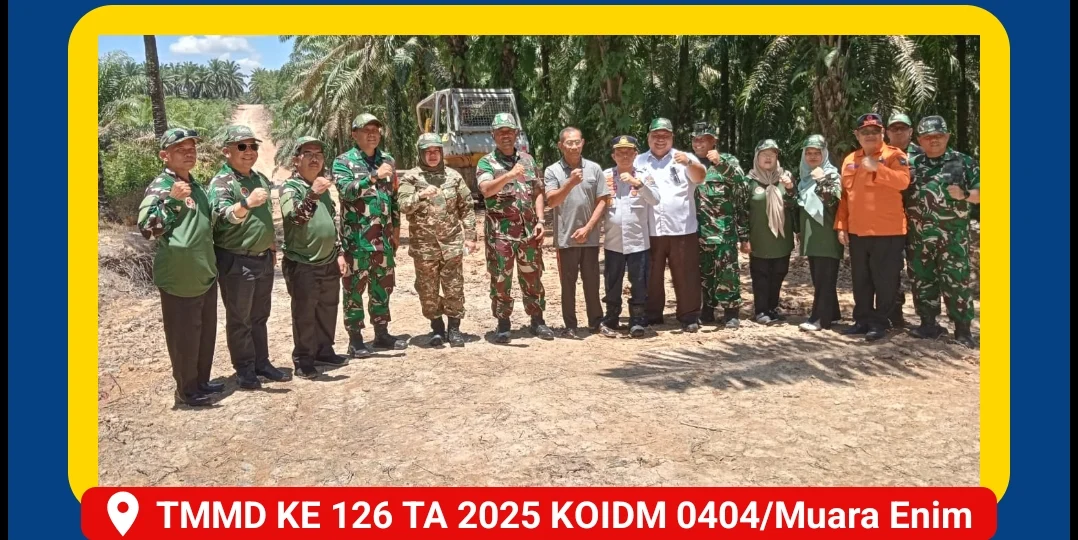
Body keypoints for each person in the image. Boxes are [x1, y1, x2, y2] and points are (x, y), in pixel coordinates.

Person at [138, 128, 220, 407]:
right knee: (184, 336)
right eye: (180, 150)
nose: (189, 153)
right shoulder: (160, 187)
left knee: (205, 333)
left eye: (192, 149)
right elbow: (148, 230)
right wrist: (172, 201)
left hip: (204, 272)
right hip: (179, 276)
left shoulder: (196, 186)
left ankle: (201, 381)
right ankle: (186, 391)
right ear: (165, 155)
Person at [209, 125, 292, 389]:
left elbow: (265, 217)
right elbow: (223, 216)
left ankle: (261, 363)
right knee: (240, 319)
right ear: (227, 151)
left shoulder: (258, 178)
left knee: (259, 316)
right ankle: (244, 370)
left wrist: (271, 247)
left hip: (262, 258)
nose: (249, 152)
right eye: (242, 146)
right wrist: (246, 203)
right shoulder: (222, 182)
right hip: (236, 260)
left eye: (253, 146)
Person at [332, 113, 408, 355]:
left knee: (382, 286)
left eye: (375, 129)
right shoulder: (343, 162)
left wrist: (396, 230)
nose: (372, 134)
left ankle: (382, 333)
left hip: (383, 239)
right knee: (354, 288)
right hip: (356, 241)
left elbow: (393, 198)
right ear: (354, 134)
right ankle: (355, 338)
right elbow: (346, 191)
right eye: (366, 130)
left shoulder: (388, 160)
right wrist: (373, 177)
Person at [476, 113, 554, 343]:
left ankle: (537, 320)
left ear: (516, 134)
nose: (506, 135)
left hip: (528, 231)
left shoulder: (528, 161)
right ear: (493, 135)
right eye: (501, 132)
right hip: (500, 233)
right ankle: (503, 324)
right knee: (501, 278)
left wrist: (540, 221)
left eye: (509, 131)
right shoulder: (486, 162)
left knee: (533, 276)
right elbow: (486, 190)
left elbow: (537, 191)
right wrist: (509, 175)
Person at [905, 116, 980, 348]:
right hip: (918, 238)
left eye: (938, 136)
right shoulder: (911, 164)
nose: (934, 140)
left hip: (953, 238)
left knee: (956, 282)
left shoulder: (963, 162)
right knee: (922, 280)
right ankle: (928, 324)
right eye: (928, 137)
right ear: (920, 140)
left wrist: (965, 195)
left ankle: (963, 330)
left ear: (947, 136)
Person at [835, 113, 911, 342]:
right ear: (857, 135)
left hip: (888, 231)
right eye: (865, 132)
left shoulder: (894, 155)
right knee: (861, 280)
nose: (870, 135)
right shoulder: (850, 159)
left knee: (885, 281)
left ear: (882, 133)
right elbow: (846, 197)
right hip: (858, 231)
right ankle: (862, 320)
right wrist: (842, 225)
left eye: (875, 131)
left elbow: (903, 182)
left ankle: (880, 323)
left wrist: (877, 168)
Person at [278, 136, 349, 380]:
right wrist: (313, 194)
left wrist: (339, 252)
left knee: (328, 308)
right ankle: (304, 360)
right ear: (296, 160)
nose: (314, 158)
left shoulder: (322, 187)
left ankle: (324, 351)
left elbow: (330, 221)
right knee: (304, 313)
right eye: (308, 153)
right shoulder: (290, 188)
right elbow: (295, 218)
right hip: (302, 263)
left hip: (328, 260)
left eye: (318, 154)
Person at [398, 133, 477, 347]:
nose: (432, 155)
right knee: (427, 290)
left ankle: (454, 329)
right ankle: (437, 328)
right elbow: (403, 206)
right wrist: (420, 195)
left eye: (436, 151)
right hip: (424, 247)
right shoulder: (411, 178)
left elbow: (467, 207)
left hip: (451, 244)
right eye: (428, 152)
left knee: (454, 287)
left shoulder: (453, 177)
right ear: (421, 154)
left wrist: (470, 236)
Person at [635, 117, 708, 332]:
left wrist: (689, 163)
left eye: (665, 136)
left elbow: (700, 177)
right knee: (651, 274)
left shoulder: (684, 158)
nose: (660, 139)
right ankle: (652, 314)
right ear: (648, 137)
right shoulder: (638, 161)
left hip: (682, 228)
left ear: (672, 137)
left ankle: (689, 315)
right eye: (656, 135)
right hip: (650, 228)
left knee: (686, 273)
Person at [544, 127, 611, 339]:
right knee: (568, 285)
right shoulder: (552, 171)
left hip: (589, 237)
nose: (573, 146)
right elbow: (551, 201)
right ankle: (570, 326)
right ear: (560, 146)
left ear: (583, 143)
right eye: (569, 143)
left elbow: (603, 200)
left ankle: (596, 323)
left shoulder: (594, 169)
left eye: (576, 142)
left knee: (592, 283)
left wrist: (589, 228)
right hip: (566, 239)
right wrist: (570, 182)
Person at [599, 135, 659, 338]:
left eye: (628, 152)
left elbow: (655, 199)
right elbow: (598, 204)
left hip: (638, 242)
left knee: (639, 282)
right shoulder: (605, 176)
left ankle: (637, 320)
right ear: (613, 155)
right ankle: (611, 318)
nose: (624, 156)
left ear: (635, 155)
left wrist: (638, 184)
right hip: (613, 242)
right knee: (612, 282)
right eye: (619, 152)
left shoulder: (644, 175)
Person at [690, 122, 750, 329]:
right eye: (695, 139)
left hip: (723, 230)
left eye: (703, 139)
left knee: (727, 272)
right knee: (703, 273)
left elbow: (742, 186)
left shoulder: (728, 160)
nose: (698, 143)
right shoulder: (688, 163)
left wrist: (721, 163)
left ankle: (731, 311)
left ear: (713, 141)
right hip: (696, 231)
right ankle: (707, 309)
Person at [744, 139, 798, 324]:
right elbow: (742, 211)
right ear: (756, 157)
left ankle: (772, 308)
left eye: (772, 154)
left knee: (779, 274)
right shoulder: (749, 182)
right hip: (759, 238)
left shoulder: (786, 178)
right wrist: (744, 238)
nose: (768, 158)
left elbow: (794, 206)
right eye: (764, 154)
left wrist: (790, 189)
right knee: (760, 275)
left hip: (781, 239)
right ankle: (761, 311)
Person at [794, 135, 844, 332]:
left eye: (817, 153)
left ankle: (820, 319)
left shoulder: (831, 176)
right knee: (820, 277)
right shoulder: (805, 178)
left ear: (825, 154)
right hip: (813, 236)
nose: (813, 156)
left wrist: (823, 181)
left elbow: (834, 204)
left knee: (825, 277)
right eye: (809, 153)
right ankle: (832, 313)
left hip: (827, 236)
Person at [885, 112, 923, 329]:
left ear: (911, 131)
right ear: (887, 132)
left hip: (920, 224)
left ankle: (927, 320)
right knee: (891, 270)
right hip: (889, 223)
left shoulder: (924, 155)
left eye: (902, 128)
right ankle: (893, 315)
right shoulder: (880, 155)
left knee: (920, 271)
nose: (898, 132)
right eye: (894, 128)